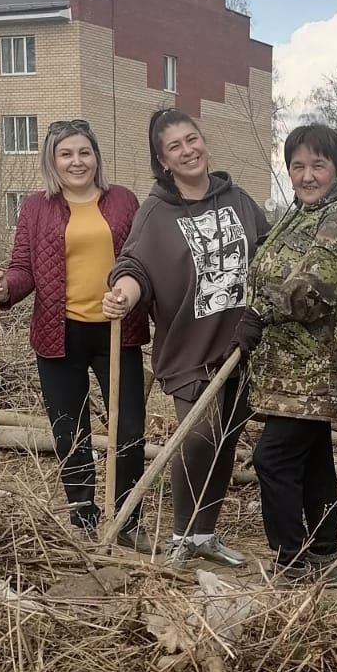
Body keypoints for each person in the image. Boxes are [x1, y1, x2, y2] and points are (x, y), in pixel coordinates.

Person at [104, 108, 268, 568]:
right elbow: (135, 266)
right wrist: (123, 294)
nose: (187, 150)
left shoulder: (237, 199)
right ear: (163, 160)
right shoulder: (156, 211)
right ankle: (181, 535)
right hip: (189, 346)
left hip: (241, 343)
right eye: (175, 146)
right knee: (198, 434)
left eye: (191, 139)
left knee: (226, 439)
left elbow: (271, 251)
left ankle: (205, 534)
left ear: (203, 142)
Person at [0, 118, 149, 543]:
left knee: (128, 428)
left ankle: (127, 520)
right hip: (59, 335)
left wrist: (136, 299)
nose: (77, 162)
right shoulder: (37, 208)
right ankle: (84, 517)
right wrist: (2, 288)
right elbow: (23, 269)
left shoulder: (124, 201)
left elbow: (145, 261)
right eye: (66, 154)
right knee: (70, 431)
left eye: (84, 152)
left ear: (96, 156)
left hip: (116, 332)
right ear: (53, 162)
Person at [229, 123, 337, 586]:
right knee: (313, 458)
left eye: (318, 164)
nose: (307, 175)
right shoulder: (300, 213)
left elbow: (319, 282)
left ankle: (292, 564)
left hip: (319, 369)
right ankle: (324, 556)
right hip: (291, 368)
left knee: (272, 459)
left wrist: (259, 314)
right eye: (298, 165)